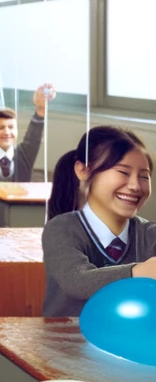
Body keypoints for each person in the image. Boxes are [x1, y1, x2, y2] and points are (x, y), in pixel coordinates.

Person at [42, 126, 156, 317]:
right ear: (83, 170)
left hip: (129, 342)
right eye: (123, 172)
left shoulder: (149, 233)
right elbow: (76, 281)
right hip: (64, 342)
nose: (136, 185)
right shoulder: (61, 229)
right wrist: (138, 272)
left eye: (144, 176)